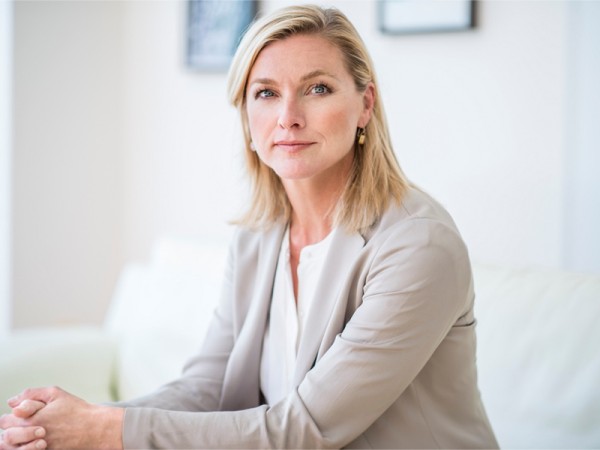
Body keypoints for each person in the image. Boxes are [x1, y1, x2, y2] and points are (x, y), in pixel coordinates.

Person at [0, 5, 498, 449]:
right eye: (266, 93)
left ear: (365, 104)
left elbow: (306, 429)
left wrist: (104, 432)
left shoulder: (418, 245)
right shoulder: (258, 237)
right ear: (246, 117)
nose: (288, 117)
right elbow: (209, 388)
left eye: (317, 89)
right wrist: (78, 423)